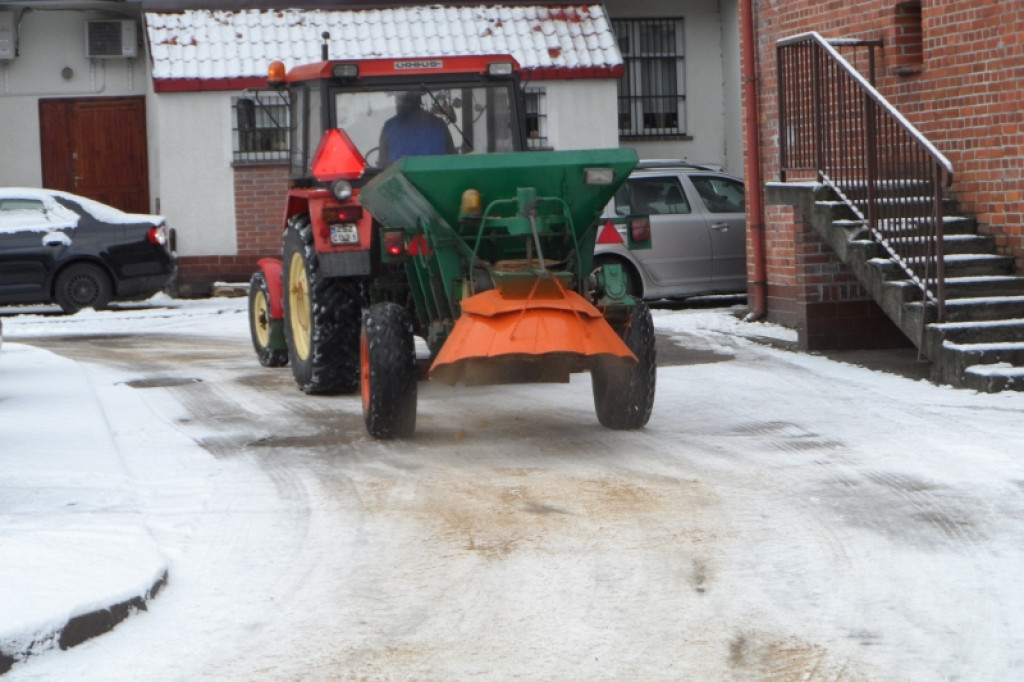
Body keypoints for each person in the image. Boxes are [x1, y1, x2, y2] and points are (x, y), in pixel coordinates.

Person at [379, 91, 455, 165]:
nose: (396, 104)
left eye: (397, 101)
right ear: (419, 101)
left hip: (400, 176)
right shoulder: (439, 124)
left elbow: (382, 166)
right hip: (437, 176)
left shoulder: (389, 127)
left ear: (402, 103)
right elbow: (453, 159)